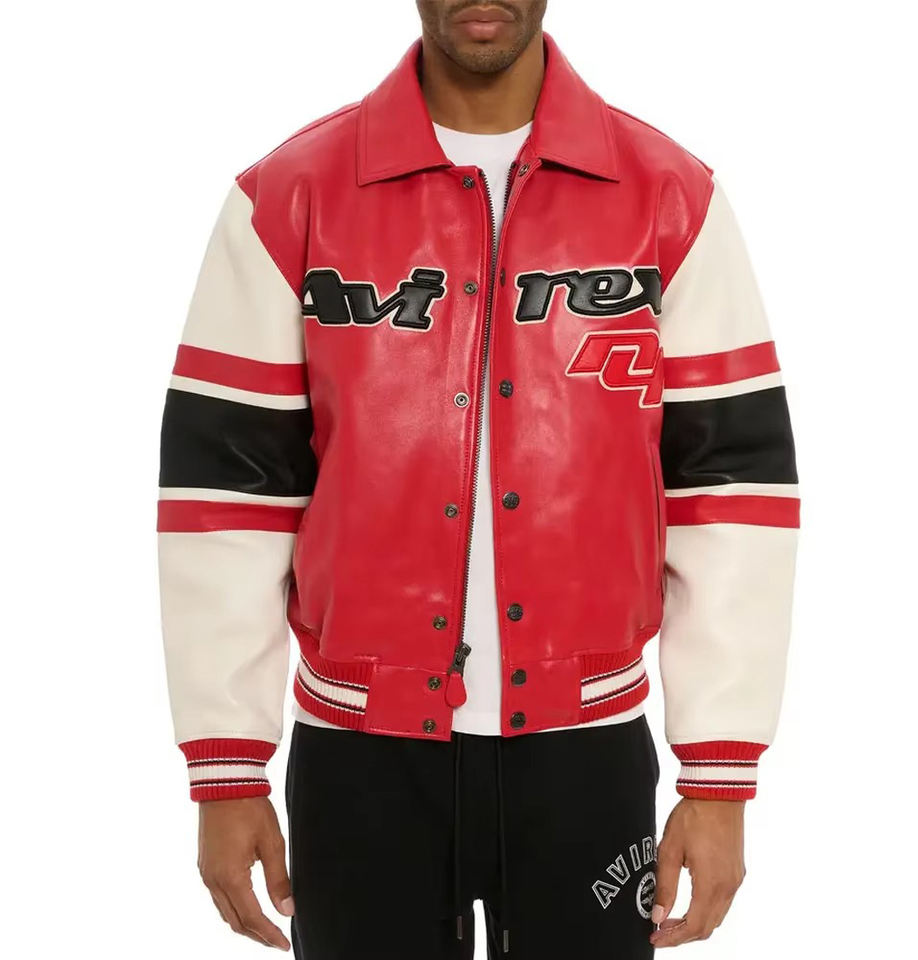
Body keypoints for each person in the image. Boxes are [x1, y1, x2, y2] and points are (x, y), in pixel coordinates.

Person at [156, 2, 799, 957]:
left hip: (588, 748)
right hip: (360, 755)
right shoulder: (287, 197)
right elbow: (225, 493)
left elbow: (734, 492)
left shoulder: (671, 197)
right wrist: (227, 767)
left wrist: (719, 775)